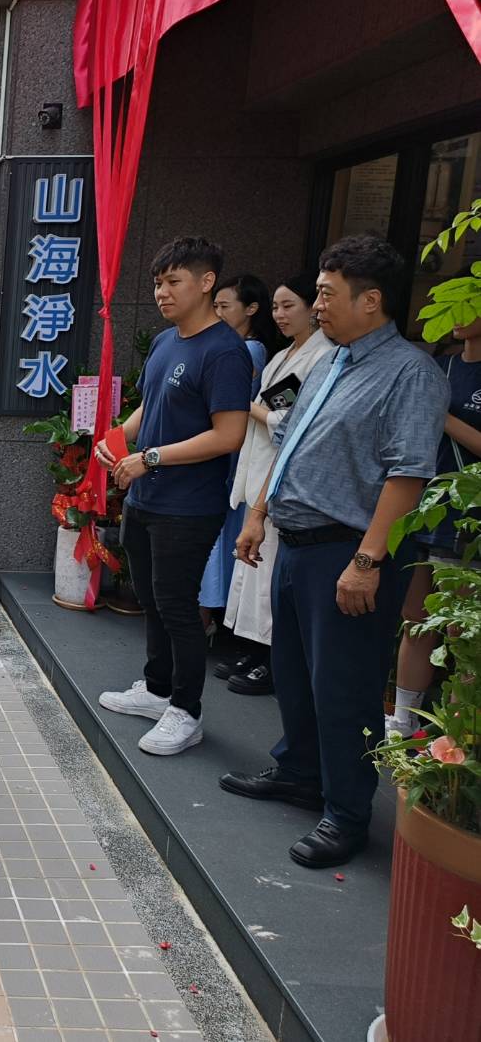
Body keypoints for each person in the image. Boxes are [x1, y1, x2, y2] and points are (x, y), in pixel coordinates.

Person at [220, 234, 446, 868]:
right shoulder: (328, 363)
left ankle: (347, 813)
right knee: (293, 674)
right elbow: (286, 439)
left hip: (350, 553)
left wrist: (369, 561)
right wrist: (259, 513)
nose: (316, 304)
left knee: (345, 689)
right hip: (297, 544)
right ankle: (299, 771)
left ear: (370, 300)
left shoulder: (410, 373)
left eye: (326, 293)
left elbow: (408, 476)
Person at [94, 237, 252, 756]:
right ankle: (157, 690)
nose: (162, 292)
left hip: (189, 505)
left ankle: (186, 712)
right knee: (153, 597)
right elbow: (150, 407)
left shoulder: (225, 352)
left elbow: (228, 435)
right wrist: (118, 440)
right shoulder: (166, 343)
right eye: (158, 283)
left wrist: (151, 459)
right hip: (146, 495)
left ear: (207, 283)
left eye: (173, 281)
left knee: (179, 606)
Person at [218, 274, 332, 694]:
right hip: (257, 467)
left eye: (290, 306)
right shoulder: (282, 356)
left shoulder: (321, 358)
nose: (281, 315)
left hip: (281, 476)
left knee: (269, 579)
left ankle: (270, 660)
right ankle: (253, 649)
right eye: (277, 307)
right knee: (253, 573)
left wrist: (249, 408)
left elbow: (289, 423)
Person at [386, 314, 481, 735]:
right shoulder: (440, 366)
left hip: (468, 517)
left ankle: (457, 735)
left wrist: (440, 415)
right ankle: (403, 722)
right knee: (414, 619)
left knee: (461, 631)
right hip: (421, 508)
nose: (460, 315)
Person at [199, 275, 280, 628]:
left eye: (224, 306)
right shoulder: (243, 348)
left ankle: (207, 615)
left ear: (251, 309)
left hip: (232, 455)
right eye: (214, 305)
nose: (217, 312)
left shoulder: (249, 350)